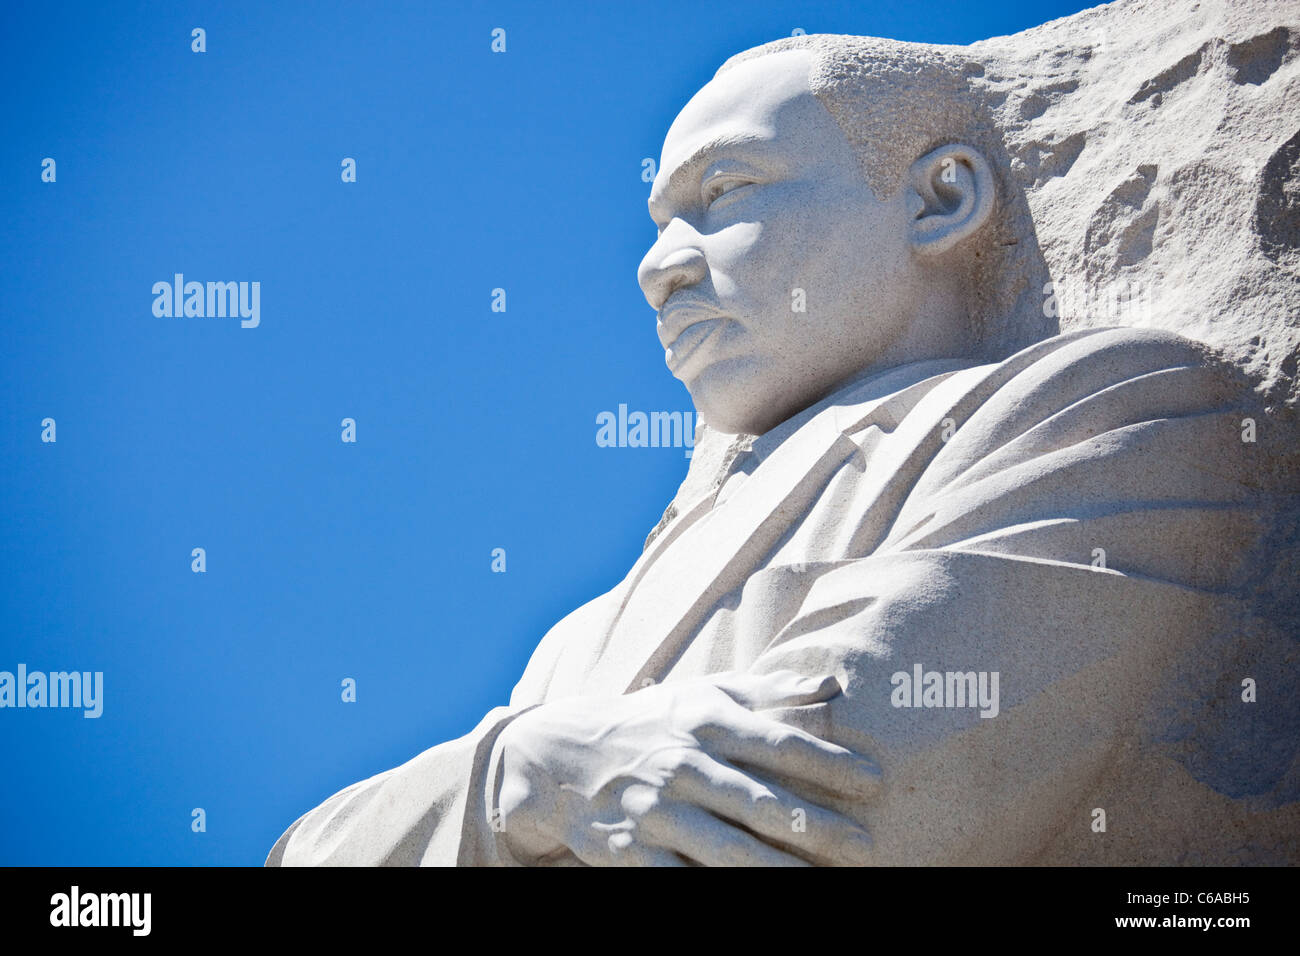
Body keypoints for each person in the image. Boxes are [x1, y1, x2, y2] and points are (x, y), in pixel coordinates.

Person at [269, 36, 1299, 867]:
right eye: (661, 219)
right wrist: (521, 773)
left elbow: (822, 794)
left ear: (941, 198)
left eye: (726, 193)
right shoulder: (570, 647)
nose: (656, 267)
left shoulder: (1109, 409)